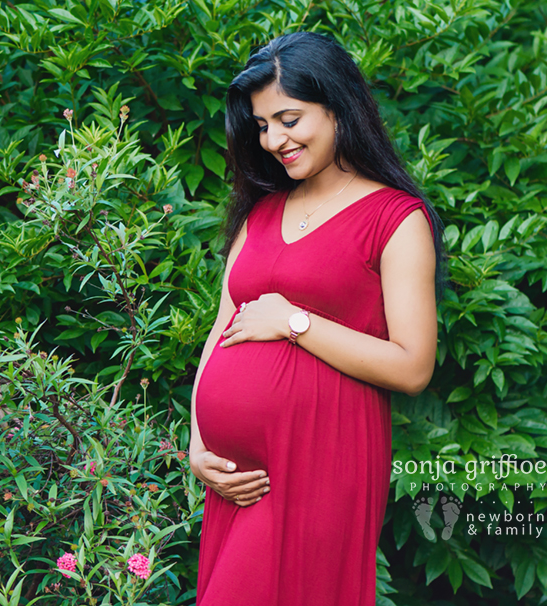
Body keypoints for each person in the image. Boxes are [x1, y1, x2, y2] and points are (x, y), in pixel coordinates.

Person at [189, 31, 444, 606]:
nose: (274, 140)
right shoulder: (262, 209)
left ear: (337, 107)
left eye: (289, 119)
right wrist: (198, 444)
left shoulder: (396, 219)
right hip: (237, 478)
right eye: (261, 125)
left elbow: (413, 367)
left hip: (320, 460)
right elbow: (223, 327)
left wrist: (296, 322)